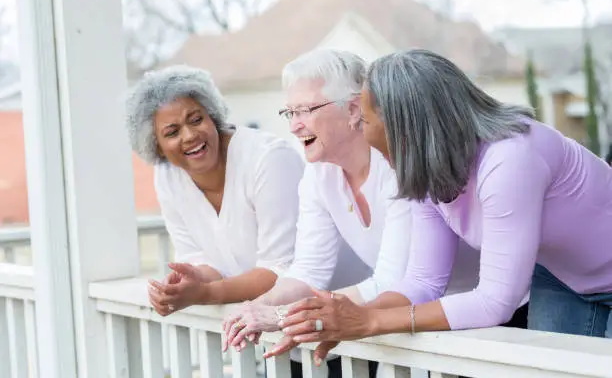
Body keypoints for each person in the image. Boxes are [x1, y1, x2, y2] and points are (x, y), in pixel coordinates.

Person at [269, 49, 612, 364]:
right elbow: (423, 281)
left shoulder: (510, 159)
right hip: (563, 279)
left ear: (410, 130)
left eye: (383, 148)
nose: (384, 162)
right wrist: (347, 321)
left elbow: (494, 301)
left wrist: (370, 320)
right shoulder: (426, 174)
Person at [222, 49, 484, 377]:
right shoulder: (319, 176)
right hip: (415, 327)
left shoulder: (396, 164)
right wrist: (261, 305)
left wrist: (284, 316)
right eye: (288, 112)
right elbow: (307, 270)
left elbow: (392, 280)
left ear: (353, 109)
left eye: (305, 110)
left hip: (479, 320)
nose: (294, 125)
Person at [124, 65, 304, 315]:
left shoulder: (269, 159)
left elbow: (283, 270)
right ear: (157, 146)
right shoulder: (168, 175)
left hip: (337, 334)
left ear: (213, 116)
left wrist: (206, 293)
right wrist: (188, 281)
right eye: (172, 132)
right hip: (261, 332)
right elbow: (199, 259)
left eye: (196, 119)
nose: (189, 135)